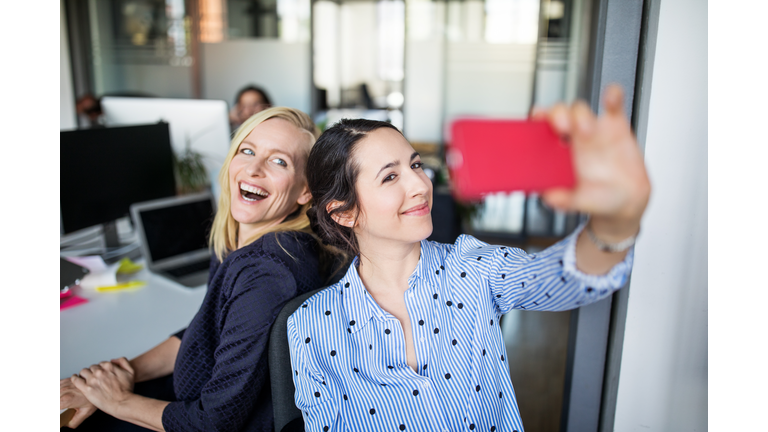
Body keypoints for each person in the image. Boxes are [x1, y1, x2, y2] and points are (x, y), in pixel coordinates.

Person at [287, 84, 650, 431]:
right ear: (343, 213)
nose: (420, 185)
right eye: (390, 177)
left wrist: (616, 223)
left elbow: (558, 278)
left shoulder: (472, 268)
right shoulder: (310, 327)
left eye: (415, 166)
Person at [61, 107, 331, 431]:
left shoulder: (267, 272)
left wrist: (116, 400)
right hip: (186, 399)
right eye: (247, 150)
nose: (254, 168)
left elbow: (213, 423)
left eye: (279, 161)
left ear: (305, 191)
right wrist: (116, 377)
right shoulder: (240, 241)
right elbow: (202, 336)